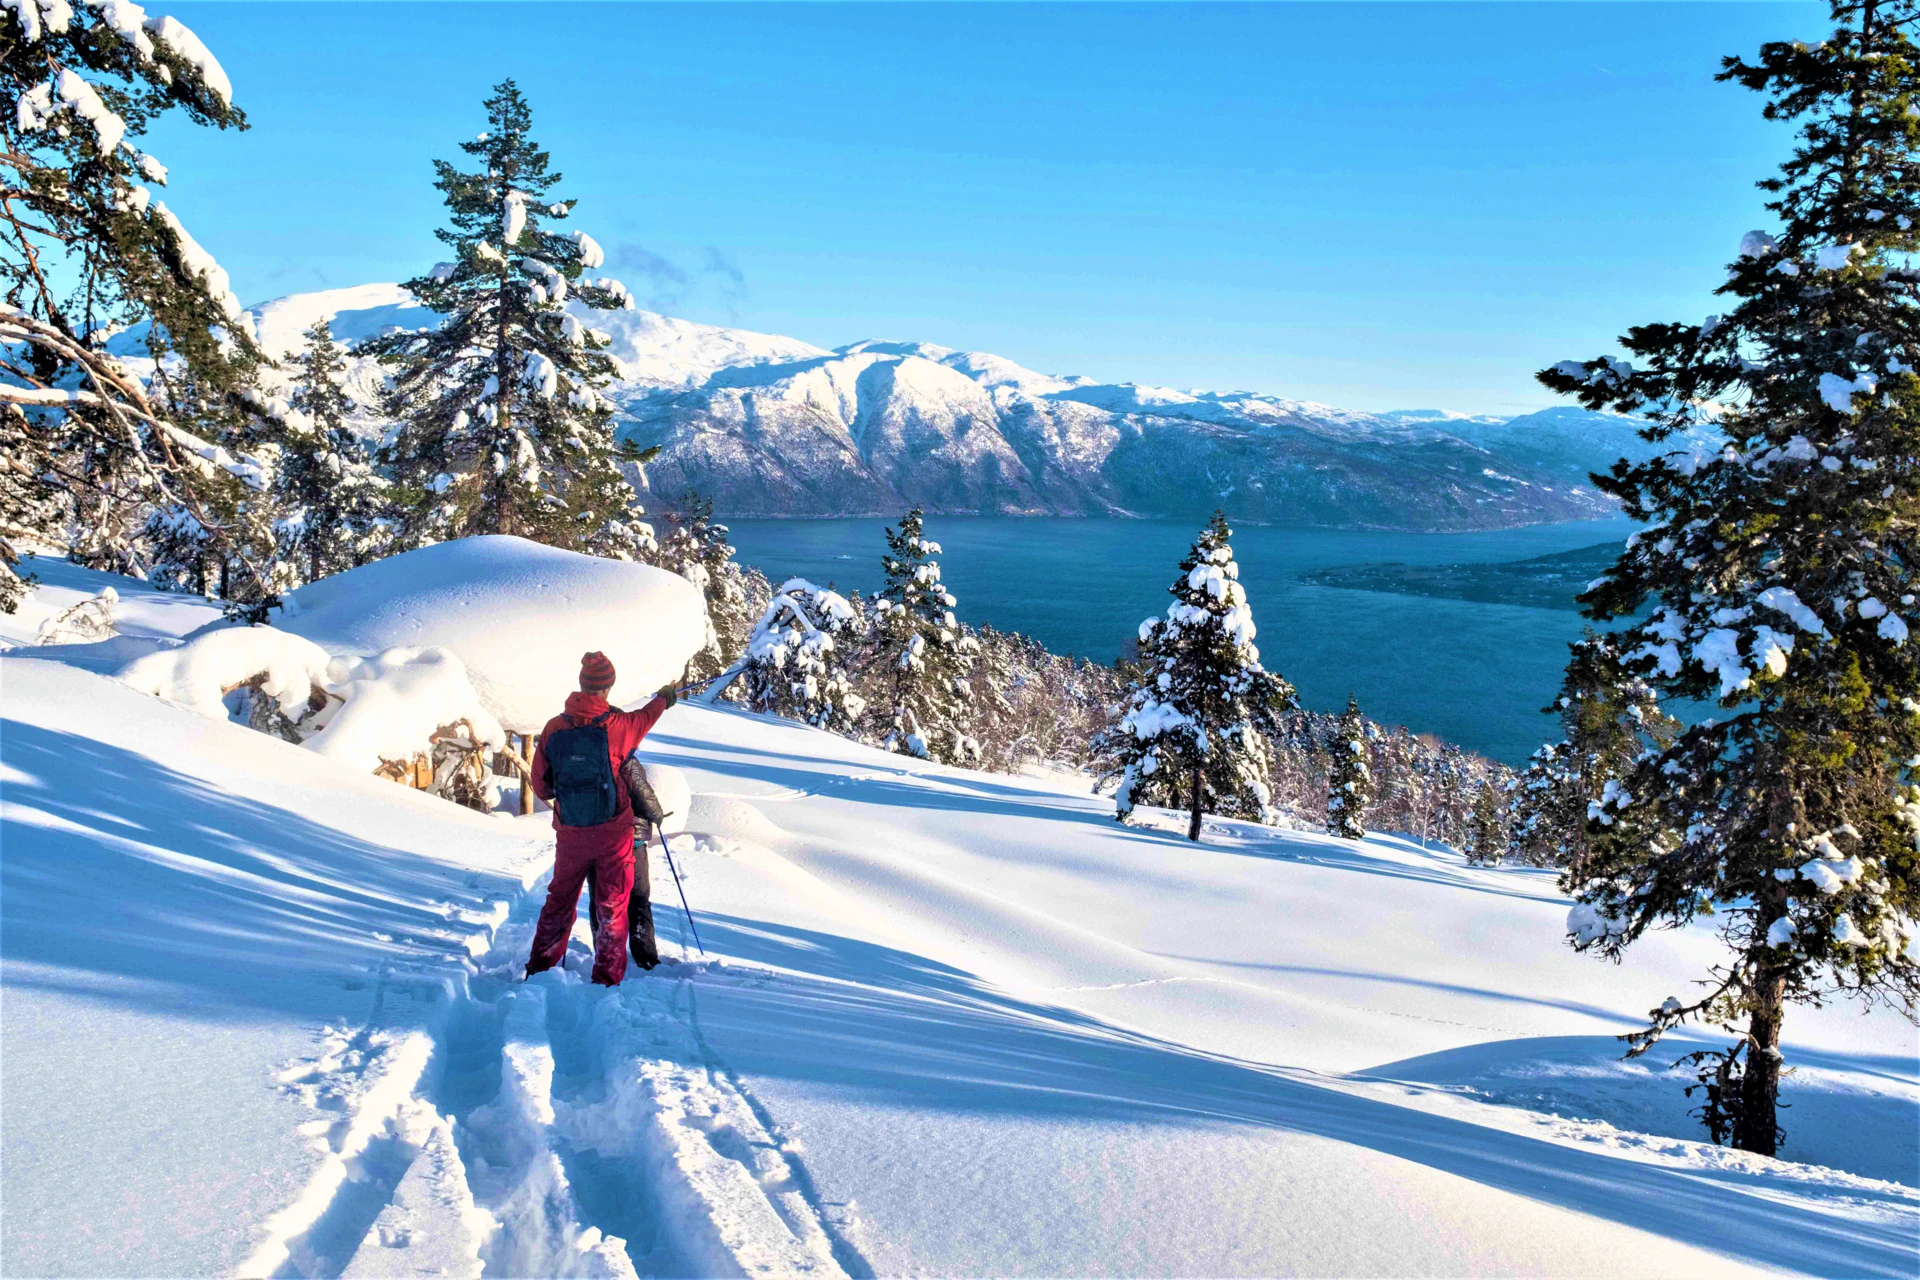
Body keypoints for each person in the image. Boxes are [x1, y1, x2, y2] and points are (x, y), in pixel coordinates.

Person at [523, 651, 676, 985]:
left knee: (559, 902)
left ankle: (539, 969)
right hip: (613, 835)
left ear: (581, 685)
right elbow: (649, 714)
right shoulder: (619, 726)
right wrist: (666, 697)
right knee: (612, 905)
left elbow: (541, 787)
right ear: (608, 688)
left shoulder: (553, 728)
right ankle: (606, 979)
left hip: (571, 834)